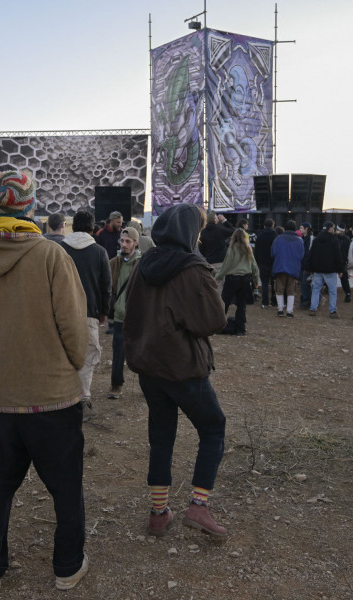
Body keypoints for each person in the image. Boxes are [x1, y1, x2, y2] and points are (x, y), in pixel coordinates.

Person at [0, 170, 90, 592]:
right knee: (66, 487)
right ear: (30, 205)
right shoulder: (52, 256)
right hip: (54, 396)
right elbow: (74, 325)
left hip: (3, 398)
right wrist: (72, 367)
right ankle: (68, 567)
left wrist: (2, 362)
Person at [123, 203, 230, 538]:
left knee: (161, 435)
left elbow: (131, 311)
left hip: (149, 366)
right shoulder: (193, 269)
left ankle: (159, 512)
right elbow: (214, 321)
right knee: (213, 428)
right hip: (183, 367)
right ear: (190, 232)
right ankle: (198, 507)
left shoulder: (143, 265)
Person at [59, 210, 110, 418]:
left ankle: (61, 400)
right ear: (93, 229)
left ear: (71, 227)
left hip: (60, 312)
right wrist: (104, 312)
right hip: (89, 312)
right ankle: (83, 400)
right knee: (88, 357)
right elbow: (106, 286)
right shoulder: (99, 252)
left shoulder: (59, 249)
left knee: (62, 355)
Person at [106, 226, 141, 399]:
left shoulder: (142, 263)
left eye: (128, 241)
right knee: (118, 352)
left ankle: (147, 386)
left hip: (138, 317)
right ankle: (116, 384)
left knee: (142, 351)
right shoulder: (114, 262)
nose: (124, 244)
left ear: (136, 243)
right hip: (120, 316)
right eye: (122, 240)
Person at [215, 228, 259, 335]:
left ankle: (219, 325)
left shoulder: (231, 250)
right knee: (241, 304)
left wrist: (218, 276)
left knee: (224, 303)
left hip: (232, 278)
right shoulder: (248, 249)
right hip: (245, 279)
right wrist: (255, 280)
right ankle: (240, 328)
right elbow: (254, 266)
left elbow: (226, 265)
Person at [307, 221, 344, 318]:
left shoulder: (316, 240)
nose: (334, 229)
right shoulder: (334, 240)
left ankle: (313, 308)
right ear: (330, 229)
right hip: (330, 270)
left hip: (318, 270)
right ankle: (332, 311)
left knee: (316, 289)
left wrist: (310, 267)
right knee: (332, 291)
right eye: (333, 227)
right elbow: (338, 256)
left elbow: (311, 255)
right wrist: (340, 270)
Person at [270, 220, 305, 318]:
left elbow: (273, 253)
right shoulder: (299, 240)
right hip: (293, 268)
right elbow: (302, 255)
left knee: (279, 289)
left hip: (280, 267)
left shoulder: (278, 239)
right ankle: (289, 311)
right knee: (291, 290)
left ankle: (280, 310)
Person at [254, 218, 278, 309]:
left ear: (264, 226)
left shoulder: (260, 235)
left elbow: (256, 250)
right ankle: (274, 300)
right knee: (274, 283)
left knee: (264, 283)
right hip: (273, 262)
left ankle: (265, 302)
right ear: (273, 225)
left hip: (263, 262)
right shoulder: (275, 235)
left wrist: (257, 261)